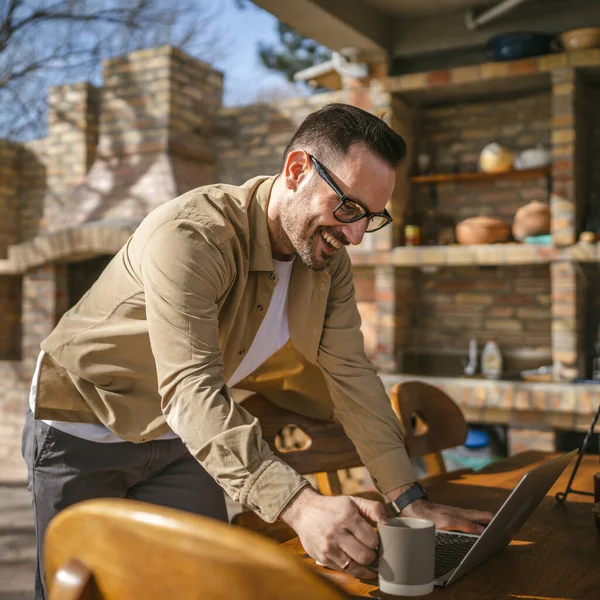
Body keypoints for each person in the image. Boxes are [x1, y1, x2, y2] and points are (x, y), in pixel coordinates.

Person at [23, 103, 493, 599]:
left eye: (371, 218)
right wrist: (300, 505)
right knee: (77, 591)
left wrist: (408, 500)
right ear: (296, 170)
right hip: (83, 427)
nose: (356, 234)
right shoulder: (192, 235)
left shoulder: (327, 262)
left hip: (179, 436)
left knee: (203, 588)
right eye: (349, 207)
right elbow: (189, 389)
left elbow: (352, 375)